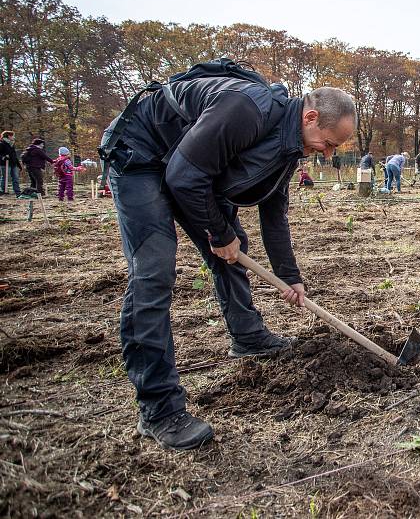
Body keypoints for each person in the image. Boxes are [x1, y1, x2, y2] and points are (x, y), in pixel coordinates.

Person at [102, 71, 356, 450]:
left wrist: (289, 276)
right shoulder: (246, 109)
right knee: (153, 272)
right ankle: (158, 408)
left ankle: (248, 336)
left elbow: (274, 214)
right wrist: (220, 235)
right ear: (311, 118)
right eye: (329, 143)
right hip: (143, 153)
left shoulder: (289, 146)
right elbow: (184, 177)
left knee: (236, 252)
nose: (328, 153)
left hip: (191, 169)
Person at [0, 131, 21, 197]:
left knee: (16, 178)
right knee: (5, 177)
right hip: (5, 164)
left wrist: (19, 165)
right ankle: (3, 191)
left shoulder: (12, 144)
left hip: (13, 163)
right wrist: (4, 157)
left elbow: (14, 155)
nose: (14, 137)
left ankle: (17, 192)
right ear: (9, 136)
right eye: (13, 136)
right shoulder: (1, 144)